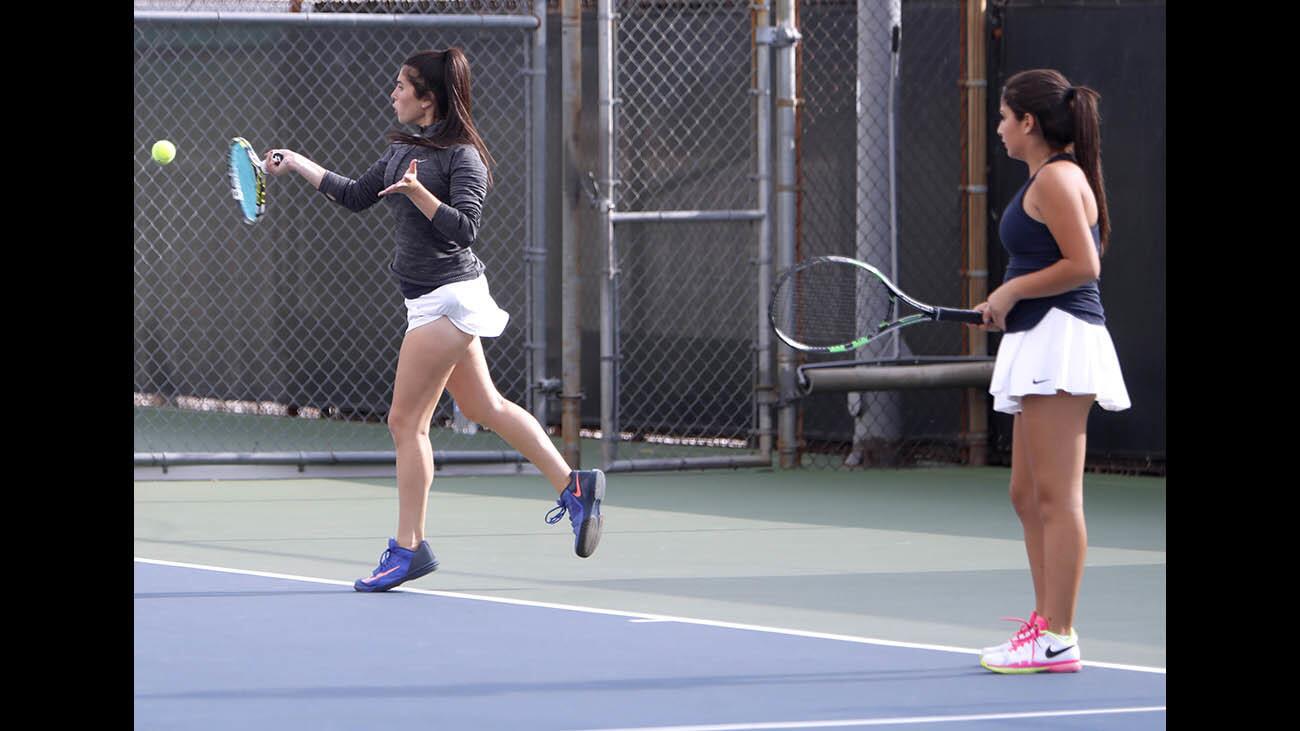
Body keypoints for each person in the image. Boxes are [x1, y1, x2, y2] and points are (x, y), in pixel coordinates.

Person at [263, 47, 606, 592]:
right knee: (483, 405)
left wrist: (422, 195)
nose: (392, 93)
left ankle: (408, 548)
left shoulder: (462, 157)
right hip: (427, 300)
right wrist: (296, 161)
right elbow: (355, 195)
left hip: (449, 300)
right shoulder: (403, 148)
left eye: (402, 86)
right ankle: (574, 486)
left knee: (406, 423)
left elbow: (466, 228)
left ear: (429, 99)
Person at [972, 69, 1130, 673]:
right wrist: (1007, 301)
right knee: (1025, 494)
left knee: (1058, 497)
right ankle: (1044, 625)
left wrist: (1011, 293)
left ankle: (1059, 635)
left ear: (1029, 122)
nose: (1000, 129)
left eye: (1005, 117)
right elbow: (1046, 260)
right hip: (1037, 339)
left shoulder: (1060, 178)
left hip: (1062, 341)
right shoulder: (1044, 179)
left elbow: (1083, 264)